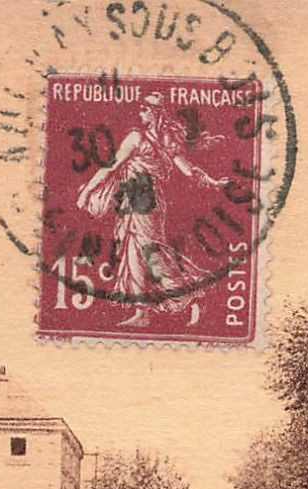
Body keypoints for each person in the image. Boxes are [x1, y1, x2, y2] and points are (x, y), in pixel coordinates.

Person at [75, 92, 225, 328]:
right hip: (140, 200)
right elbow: (189, 170)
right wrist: (211, 181)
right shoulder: (166, 141)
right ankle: (142, 312)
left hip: (144, 200)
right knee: (135, 252)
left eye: (144, 110)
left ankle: (190, 296)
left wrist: (86, 193)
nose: (140, 113)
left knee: (150, 253)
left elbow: (112, 167)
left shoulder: (138, 138)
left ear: (155, 113)